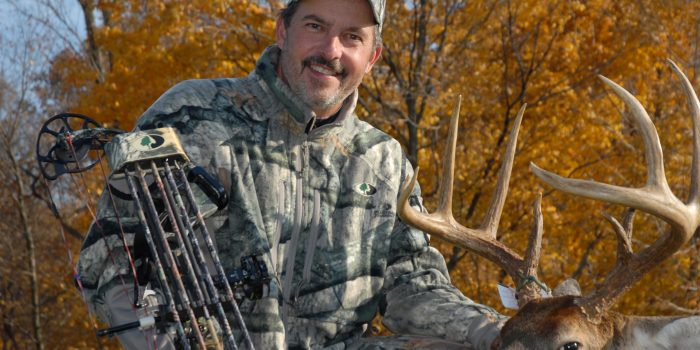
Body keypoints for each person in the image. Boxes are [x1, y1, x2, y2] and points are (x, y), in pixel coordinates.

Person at [77, 0, 506, 348]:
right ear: (283, 30)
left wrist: (496, 332)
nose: (331, 51)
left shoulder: (384, 161)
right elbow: (109, 258)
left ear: (372, 57)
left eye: (352, 37)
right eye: (316, 26)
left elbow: (413, 285)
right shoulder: (192, 113)